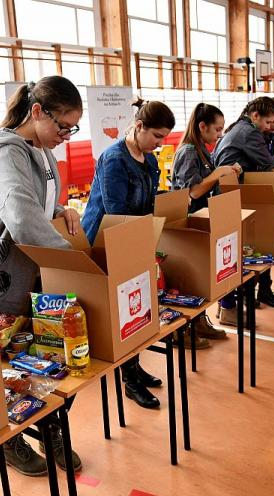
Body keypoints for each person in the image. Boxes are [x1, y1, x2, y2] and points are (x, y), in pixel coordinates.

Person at [0, 75, 83, 476]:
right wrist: (77, 264)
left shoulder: (42, 150)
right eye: (62, 126)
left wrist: (62, 208)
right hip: (6, 280)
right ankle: (10, 437)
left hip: (39, 274)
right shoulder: (5, 153)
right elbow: (21, 218)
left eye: (73, 128)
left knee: (52, 361)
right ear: (36, 112)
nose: (66, 135)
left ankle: (50, 426)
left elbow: (39, 203)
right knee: (8, 366)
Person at [82, 99, 175, 409]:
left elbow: (149, 200)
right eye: (158, 136)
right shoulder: (113, 160)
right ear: (139, 127)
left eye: (164, 138)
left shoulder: (149, 159)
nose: (161, 144)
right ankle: (129, 380)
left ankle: (133, 368)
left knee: (136, 306)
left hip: (133, 236)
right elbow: (115, 212)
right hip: (106, 241)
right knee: (122, 309)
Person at [171, 102, 242, 335]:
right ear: (202, 126)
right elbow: (192, 192)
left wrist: (227, 171)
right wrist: (218, 173)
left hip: (202, 217)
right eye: (217, 129)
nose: (221, 134)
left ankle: (201, 321)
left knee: (204, 272)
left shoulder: (202, 148)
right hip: (188, 218)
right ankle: (191, 326)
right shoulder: (189, 150)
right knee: (193, 275)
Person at [212, 96, 274, 309]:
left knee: (244, 247)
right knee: (243, 249)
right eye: (268, 122)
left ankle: (247, 295)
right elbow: (270, 165)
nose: (270, 126)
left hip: (229, 194)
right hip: (232, 195)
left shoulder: (238, 127)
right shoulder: (249, 132)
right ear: (255, 116)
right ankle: (236, 300)